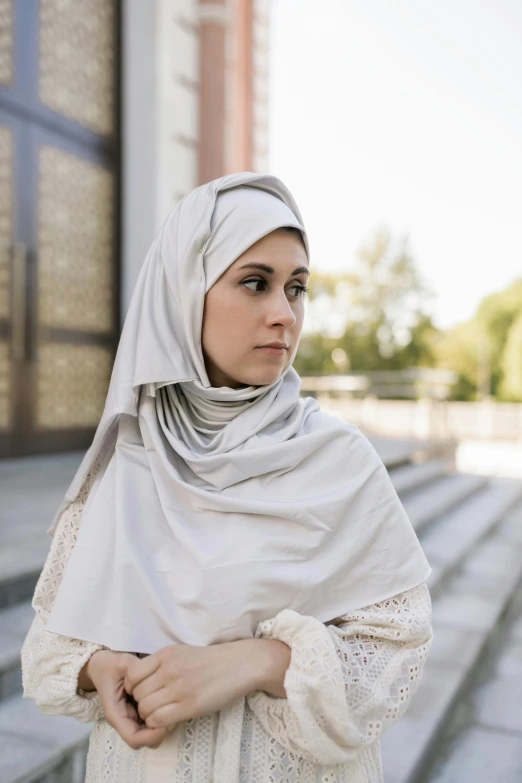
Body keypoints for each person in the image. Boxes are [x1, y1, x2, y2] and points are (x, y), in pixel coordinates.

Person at [21, 172, 433, 783]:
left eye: (296, 288)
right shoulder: (130, 462)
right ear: (184, 293)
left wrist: (258, 663)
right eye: (254, 283)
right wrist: (99, 668)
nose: (283, 315)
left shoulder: (338, 461)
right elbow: (48, 649)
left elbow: (395, 653)